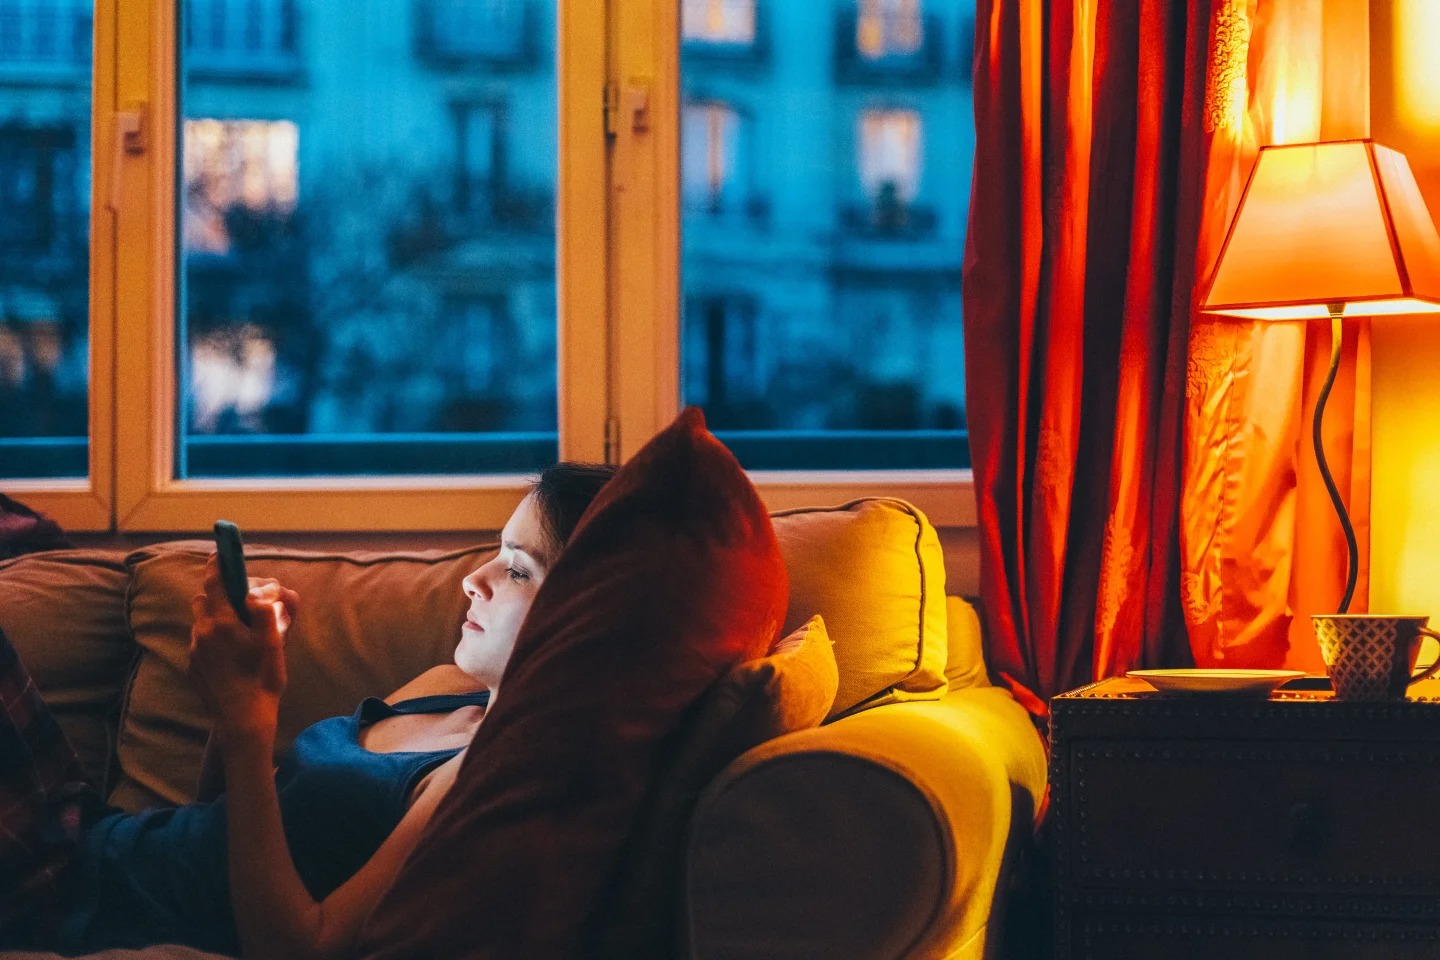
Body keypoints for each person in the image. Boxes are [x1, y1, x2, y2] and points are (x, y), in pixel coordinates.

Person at [0, 461, 616, 959]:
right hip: (83, 834)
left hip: (72, 902)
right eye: (495, 552)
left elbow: (304, 946)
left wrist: (249, 725)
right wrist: (241, 700)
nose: (473, 580)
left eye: (516, 570)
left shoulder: (482, 775)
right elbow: (223, 824)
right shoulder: (443, 682)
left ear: (583, 611)